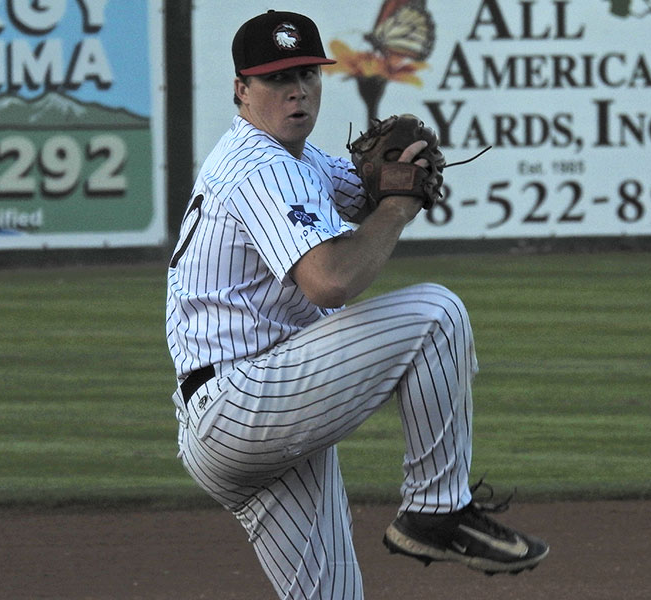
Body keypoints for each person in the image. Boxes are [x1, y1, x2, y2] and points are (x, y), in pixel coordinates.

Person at [165, 10, 548, 599]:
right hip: (242, 401)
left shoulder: (297, 161)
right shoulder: (259, 167)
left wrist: (399, 174)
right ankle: (437, 508)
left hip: (255, 415)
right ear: (241, 89)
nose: (297, 90)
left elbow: (366, 188)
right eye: (275, 79)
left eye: (308, 74)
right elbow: (331, 281)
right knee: (435, 317)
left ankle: (436, 511)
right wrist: (397, 205)